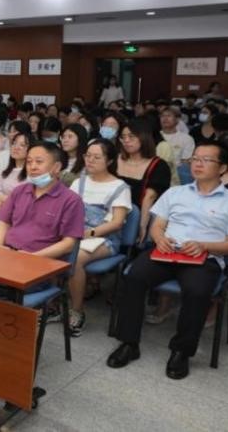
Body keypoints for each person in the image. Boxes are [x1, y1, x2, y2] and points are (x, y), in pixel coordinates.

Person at [107, 142, 228, 380]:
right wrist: (159, 238)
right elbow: (158, 225)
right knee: (134, 277)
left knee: (197, 291)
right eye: (195, 158)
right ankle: (129, 343)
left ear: (222, 168)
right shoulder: (175, 192)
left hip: (204, 257)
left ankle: (181, 351)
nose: (197, 164)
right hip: (167, 251)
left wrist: (204, 245)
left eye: (206, 160)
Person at [66, 139, 132, 336]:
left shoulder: (120, 187)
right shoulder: (79, 182)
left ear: (109, 160)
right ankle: (52, 304)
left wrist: (90, 233)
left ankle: (77, 311)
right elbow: (67, 211)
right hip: (77, 233)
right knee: (48, 246)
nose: (90, 160)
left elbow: (117, 223)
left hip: (105, 238)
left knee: (75, 258)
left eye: (97, 157)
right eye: (87, 156)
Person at [0, 141, 85, 258]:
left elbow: (69, 244)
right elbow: (3, 222)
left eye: (39, 162)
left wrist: (34, 257)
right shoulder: (19, 191)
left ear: (56, 167)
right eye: (29, 162)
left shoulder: (71, 200)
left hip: (42, 259)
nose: (32, 167)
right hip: (9, 253)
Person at [116, 118, 171, 243]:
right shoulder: (115, 160)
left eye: (131, 136)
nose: (126, 141)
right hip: (111, 212)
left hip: (139, 216)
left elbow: (149, 198)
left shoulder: (159, 165)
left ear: (144, 137)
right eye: (123, 137)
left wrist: (142, 227)